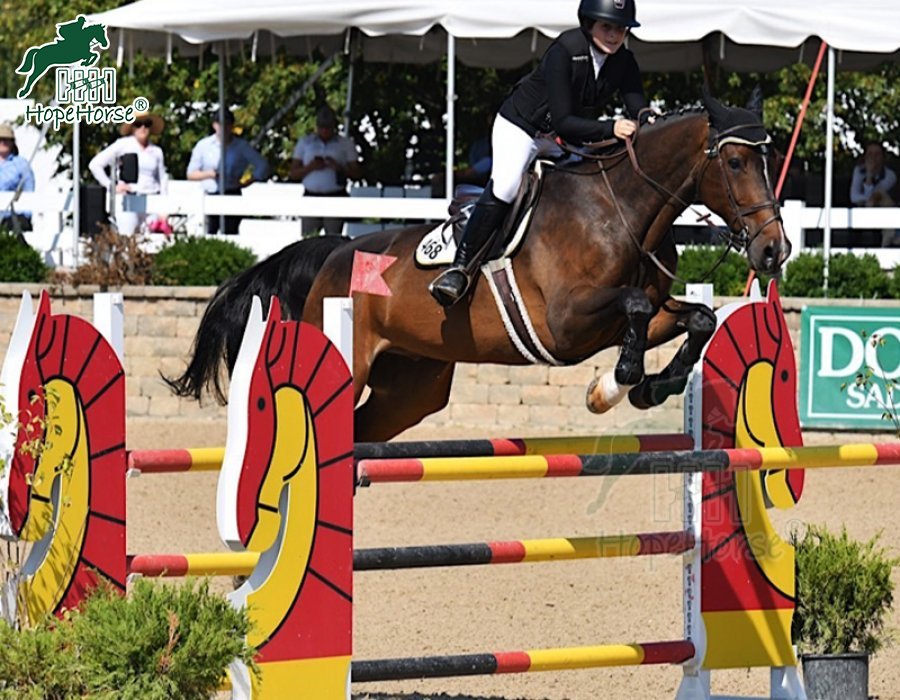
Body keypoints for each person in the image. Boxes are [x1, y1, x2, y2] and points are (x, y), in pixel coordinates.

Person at [429, 0, 648, 306]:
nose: (614, 35)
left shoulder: (624, 61)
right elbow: (564, 121)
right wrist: (610, 128)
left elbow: (640, 110)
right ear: (589, 24)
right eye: (607, 27)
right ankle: (460, 267)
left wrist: (651, 123)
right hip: (521, 127)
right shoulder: (565, 50)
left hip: (559, 138)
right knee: (506, 185)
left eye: (621, 29)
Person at [187, 109, 270, 235]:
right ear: (214, 125)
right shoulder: (204, 145)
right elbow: (191, 174)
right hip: (211, 194)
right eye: (220, 124)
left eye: (227, 124)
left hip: (232, 192)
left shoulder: (241, 146)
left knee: (231, 232)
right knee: (211, 232)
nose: (224, 128)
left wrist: (247, 182)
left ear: (231, 126)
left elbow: (262, 165)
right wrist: (210, 174)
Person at [88, 111, 169, 235]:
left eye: (147, 124)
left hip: (151, 199)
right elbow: (95, 165)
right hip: (129, 199)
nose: (143, 128)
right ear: (132, 127)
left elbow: (162, 179)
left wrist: (163, 208)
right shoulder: (123, 144)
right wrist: (111, 186)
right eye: (138, 124)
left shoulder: (157, 151)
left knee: (151, 243)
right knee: (127, 239)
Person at [288, 105, 362, 238]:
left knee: (333, 238)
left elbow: (357, 173)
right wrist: (311, 167)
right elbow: (293, 173)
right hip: (311, 196)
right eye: (322, 127)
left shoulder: (345, 144)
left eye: (328, 127)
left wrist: (338, 167)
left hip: (335, 195)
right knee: (308, 238)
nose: (325, 130)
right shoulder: (305, 142)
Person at [849, 142, 898, 246]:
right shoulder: (858, 171)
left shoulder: (890, 175)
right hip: (862, 210)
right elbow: (854, 196)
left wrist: (869, 201)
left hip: (883, 210)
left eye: (877, 154)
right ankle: (891, 239)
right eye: (870, 154)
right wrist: (869, 175)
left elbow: (876, 194)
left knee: (880, 195)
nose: (873, 158)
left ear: (883, 157)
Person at [0, 123, 35, 234]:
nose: (3, 142)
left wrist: (24, 217)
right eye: (0, 139)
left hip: (11, 217)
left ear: (12, 142)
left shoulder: (21, 164)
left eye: (7, 139)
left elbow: (29, 189)